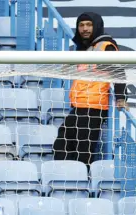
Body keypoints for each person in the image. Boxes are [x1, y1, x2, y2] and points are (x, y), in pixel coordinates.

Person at [53, 12, 127, 166]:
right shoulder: (84, 48)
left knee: (83, 149)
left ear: (97, 26)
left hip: (94, 107)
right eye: (81, 25)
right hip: (79, 106)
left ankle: (81, 183)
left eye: (89, 25)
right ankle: (63, 176)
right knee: (63, 141)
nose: (84, 29)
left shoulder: (106, 46)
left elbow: (118, 72)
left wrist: (121, 98)